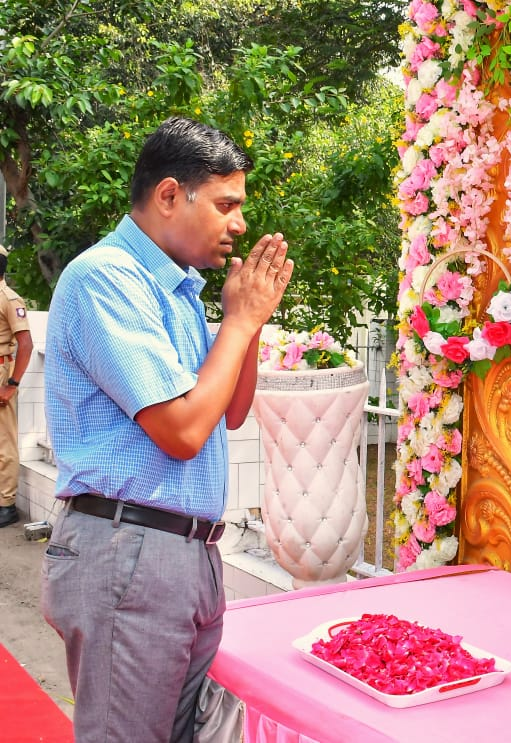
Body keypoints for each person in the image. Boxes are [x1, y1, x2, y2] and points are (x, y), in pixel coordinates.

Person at [41, 117, 293, 742]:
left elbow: (226, 412)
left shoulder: (178, 289)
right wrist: (237, 323)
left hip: (183, 555)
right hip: (129, 549)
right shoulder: (106, 277)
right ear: (170, 195)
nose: (239, 223)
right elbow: (181, 431)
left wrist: (251, 321)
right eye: (226, 204)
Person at [0, 244, 34, 529]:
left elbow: (26, 344)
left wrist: (11, 384)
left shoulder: (9, 299)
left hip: (1, 372)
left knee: (4, 442)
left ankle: (6, 505)